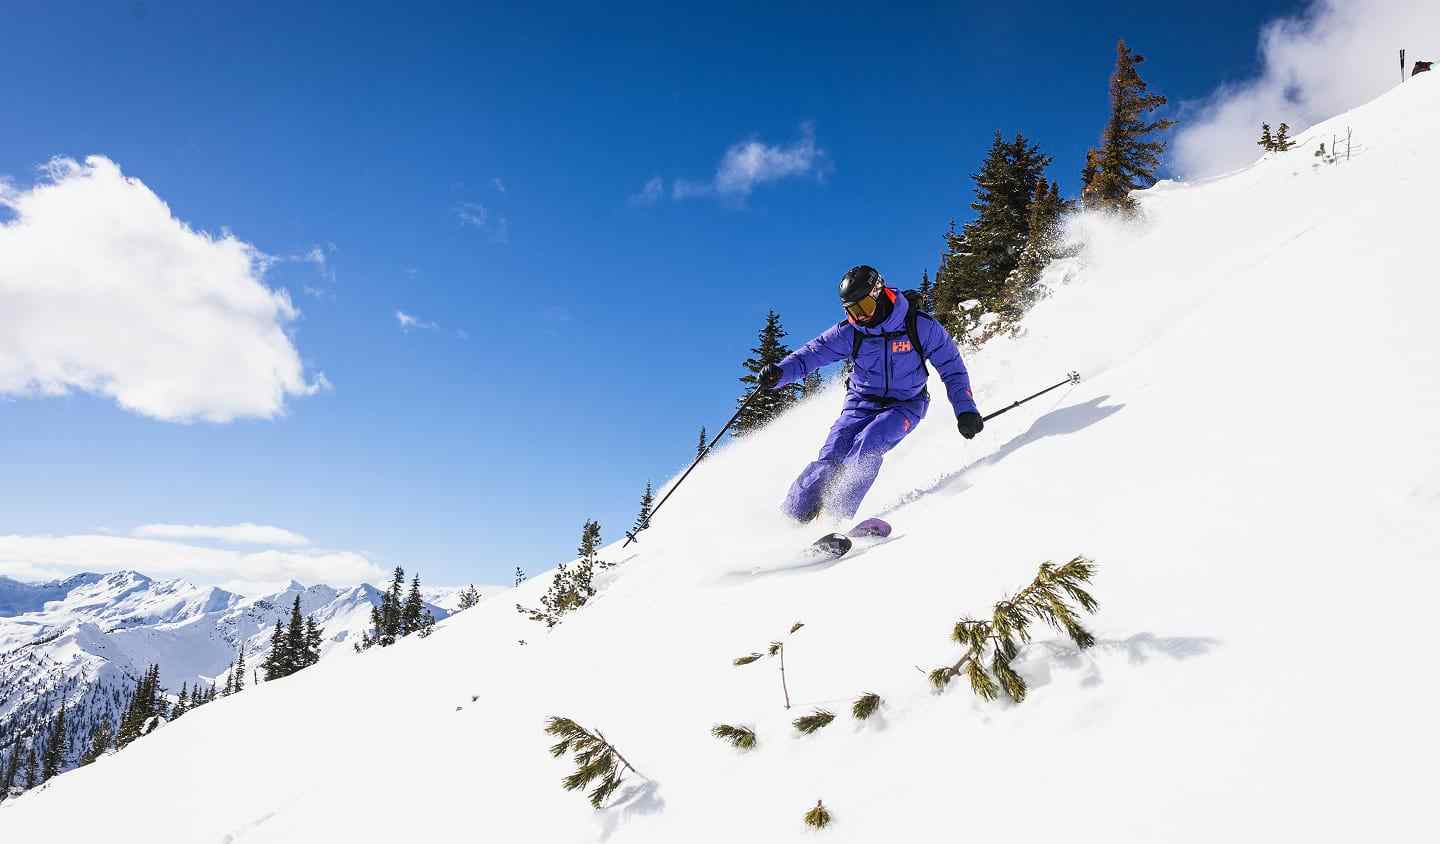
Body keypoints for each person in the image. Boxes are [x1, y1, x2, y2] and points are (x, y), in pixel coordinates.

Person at [758, 265, 983, 523]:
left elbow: (952, 367)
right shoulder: (851, 332)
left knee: (869, 443)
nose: (860, 316)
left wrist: (965, 409)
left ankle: (834, 519)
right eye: (852, 310)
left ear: (879, 293)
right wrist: (780, 374)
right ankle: (789, 520)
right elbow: (812, 354)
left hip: (905, 404)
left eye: (863, 307)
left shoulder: (919, 326)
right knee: (831, 457)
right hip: (860, 403)